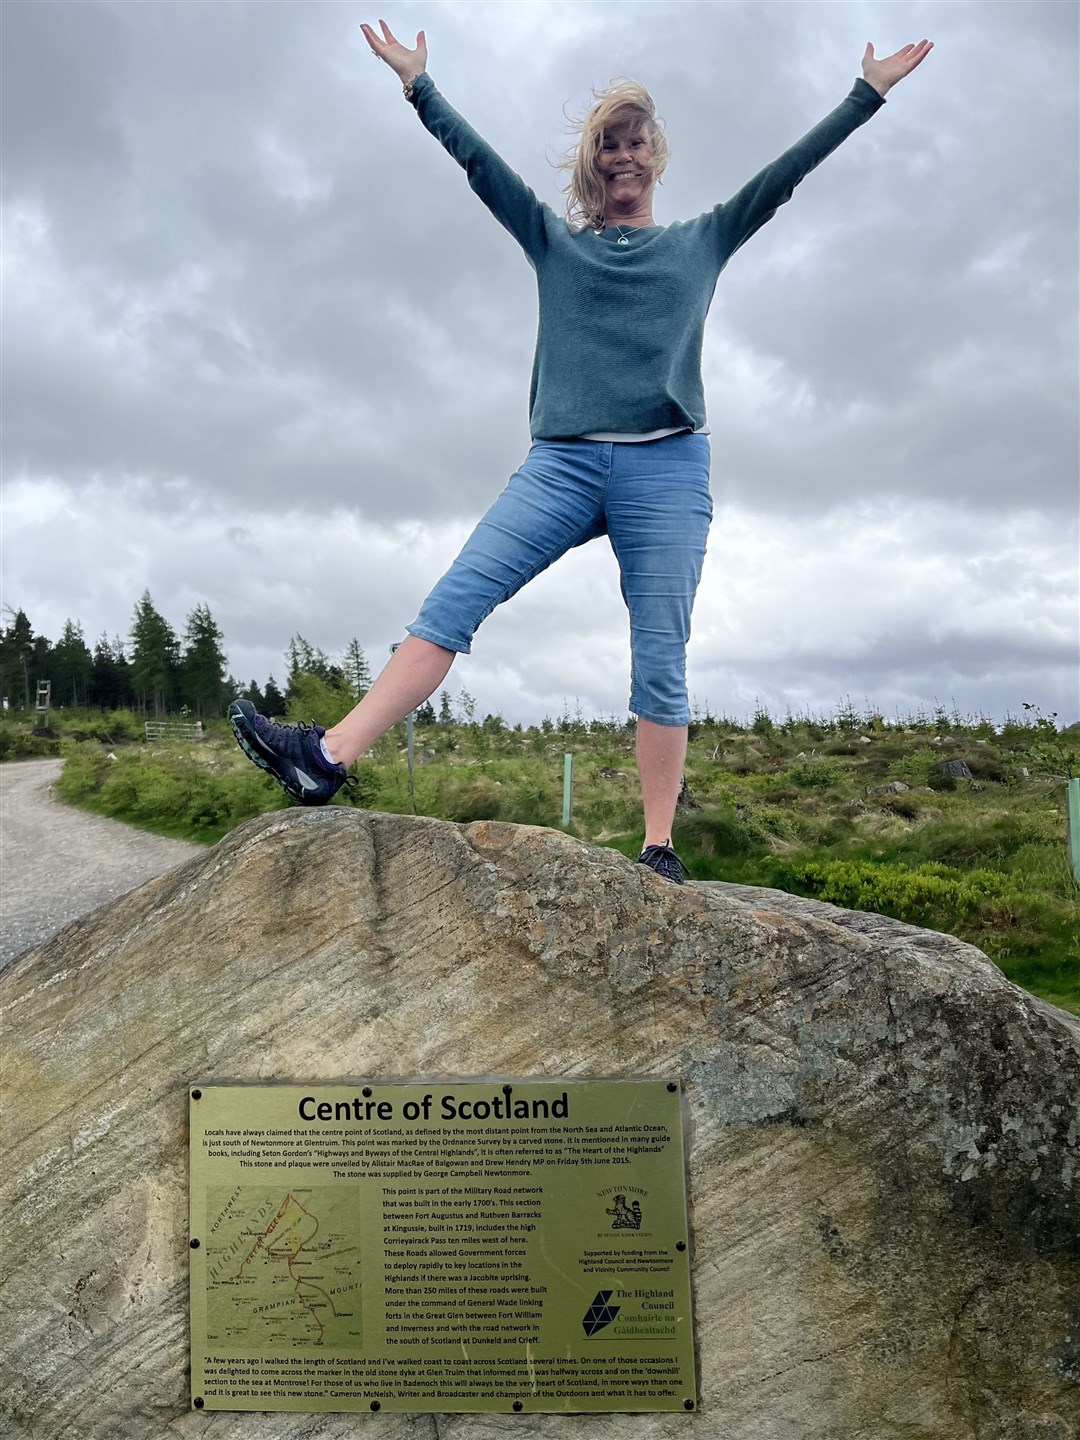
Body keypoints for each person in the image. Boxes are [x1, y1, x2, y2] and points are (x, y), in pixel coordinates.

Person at [229, 21, 932, 884]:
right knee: (452, 604)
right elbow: (481, 168)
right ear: (594, 163)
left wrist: (866, 95)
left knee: (661, 653)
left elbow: (782, 178)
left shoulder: (702, 240)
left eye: (637, 141)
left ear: (656, 157)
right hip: (560, 464)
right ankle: (325, 758)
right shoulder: (555, 243)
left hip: (667, 466)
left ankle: (657, 846)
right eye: (609, 144)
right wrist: (420, 86)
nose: (623, 156)